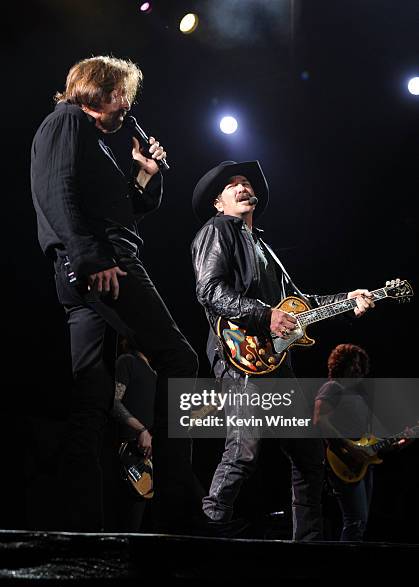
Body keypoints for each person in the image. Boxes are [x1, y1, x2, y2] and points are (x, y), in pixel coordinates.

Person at [30, 55, 199, 532]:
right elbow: (55, 190)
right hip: (105, 264)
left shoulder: (98, 145)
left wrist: (146, 173)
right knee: (179, 359)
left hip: (88, 265)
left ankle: (83, 524)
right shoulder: (65, 123)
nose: (128, 104)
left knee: (93, 396)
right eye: (123, 93)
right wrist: (91, 257)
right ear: (98, 90)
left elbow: (126, 209)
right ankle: (178, 505)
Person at [191, 160, 375, 540]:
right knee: (244, 449)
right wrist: (263, 315)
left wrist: (347, 298)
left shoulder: (263, 246)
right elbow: (210, 291)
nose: (242, 187)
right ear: (218, 203)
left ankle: (306, 549)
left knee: (309, 457)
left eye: (245, 183)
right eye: (232, 185)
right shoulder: (218, 229)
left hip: (276, 364)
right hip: (239, 355)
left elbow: (301, 304)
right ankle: (205, 533)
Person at [314, 343, 414, 542]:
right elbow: (319, 421)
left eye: (361, 364)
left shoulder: (359, 396)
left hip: (362, 464)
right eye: (353, 363)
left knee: (360, 522)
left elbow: (373, 441)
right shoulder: (333, 387)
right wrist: (349, 447)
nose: (358, 368)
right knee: (355, 521)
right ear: (342, 364)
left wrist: (399, 443)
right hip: (343, 460)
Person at [109, 336, 156, 532]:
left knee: (136, 526)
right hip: (125, 452)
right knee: (121, 523)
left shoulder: (154, 374)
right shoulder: (127, 361)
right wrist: (141, 429)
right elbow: (113, 402)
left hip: (146, 459)